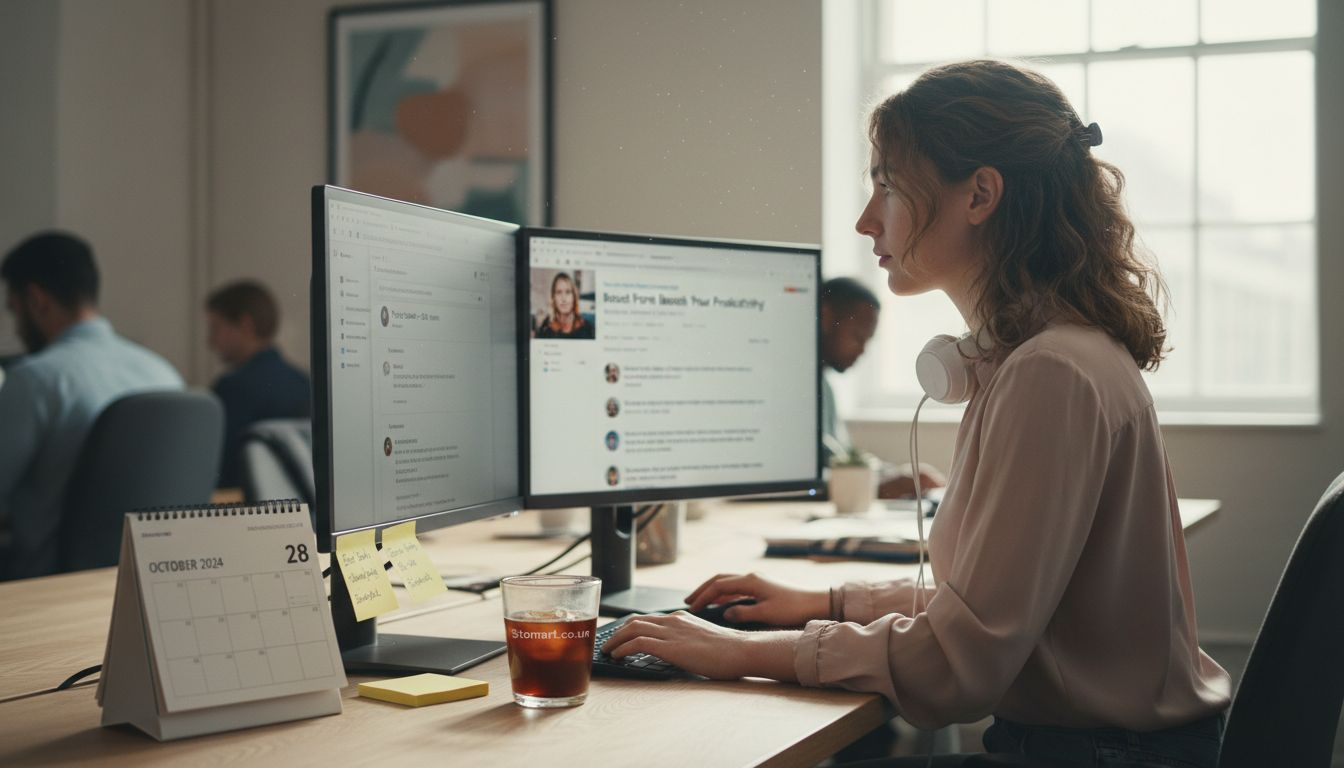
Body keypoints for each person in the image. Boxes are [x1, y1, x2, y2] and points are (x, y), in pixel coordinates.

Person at [605, 60, 1231, 767]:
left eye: (887, 185)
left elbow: (959, 663)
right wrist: (825, 600)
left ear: (980, 194)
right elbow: (988, 605)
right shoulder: (1046, 357)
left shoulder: (1049, 374)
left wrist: (741, 652)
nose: (866, 219)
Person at [0, 232, 183, 579]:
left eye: (13, 309)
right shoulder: (164, 373)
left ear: (37, 300)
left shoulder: (36, 380)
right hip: (149, 589)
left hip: (46, 590)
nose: (15, 327)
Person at [819, 276, 943, 499]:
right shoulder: (800, 389)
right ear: (826, 318)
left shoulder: (824, 386)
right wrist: (880, 486)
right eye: (858, 337)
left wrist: (898, 475)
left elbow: (843, 458)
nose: (862, 351)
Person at [206, 280, 311, 488]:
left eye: (215, 328)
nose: (210, 341)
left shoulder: (232, 388)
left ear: (246, 325)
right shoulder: (305, 383)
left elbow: (216, 469)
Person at [534, 272, 595, 339]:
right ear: (553, 298)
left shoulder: (587, 329)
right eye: (559, 292)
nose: (563, 298)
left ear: (574, 297)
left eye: (568, 292)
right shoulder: (546, 328)